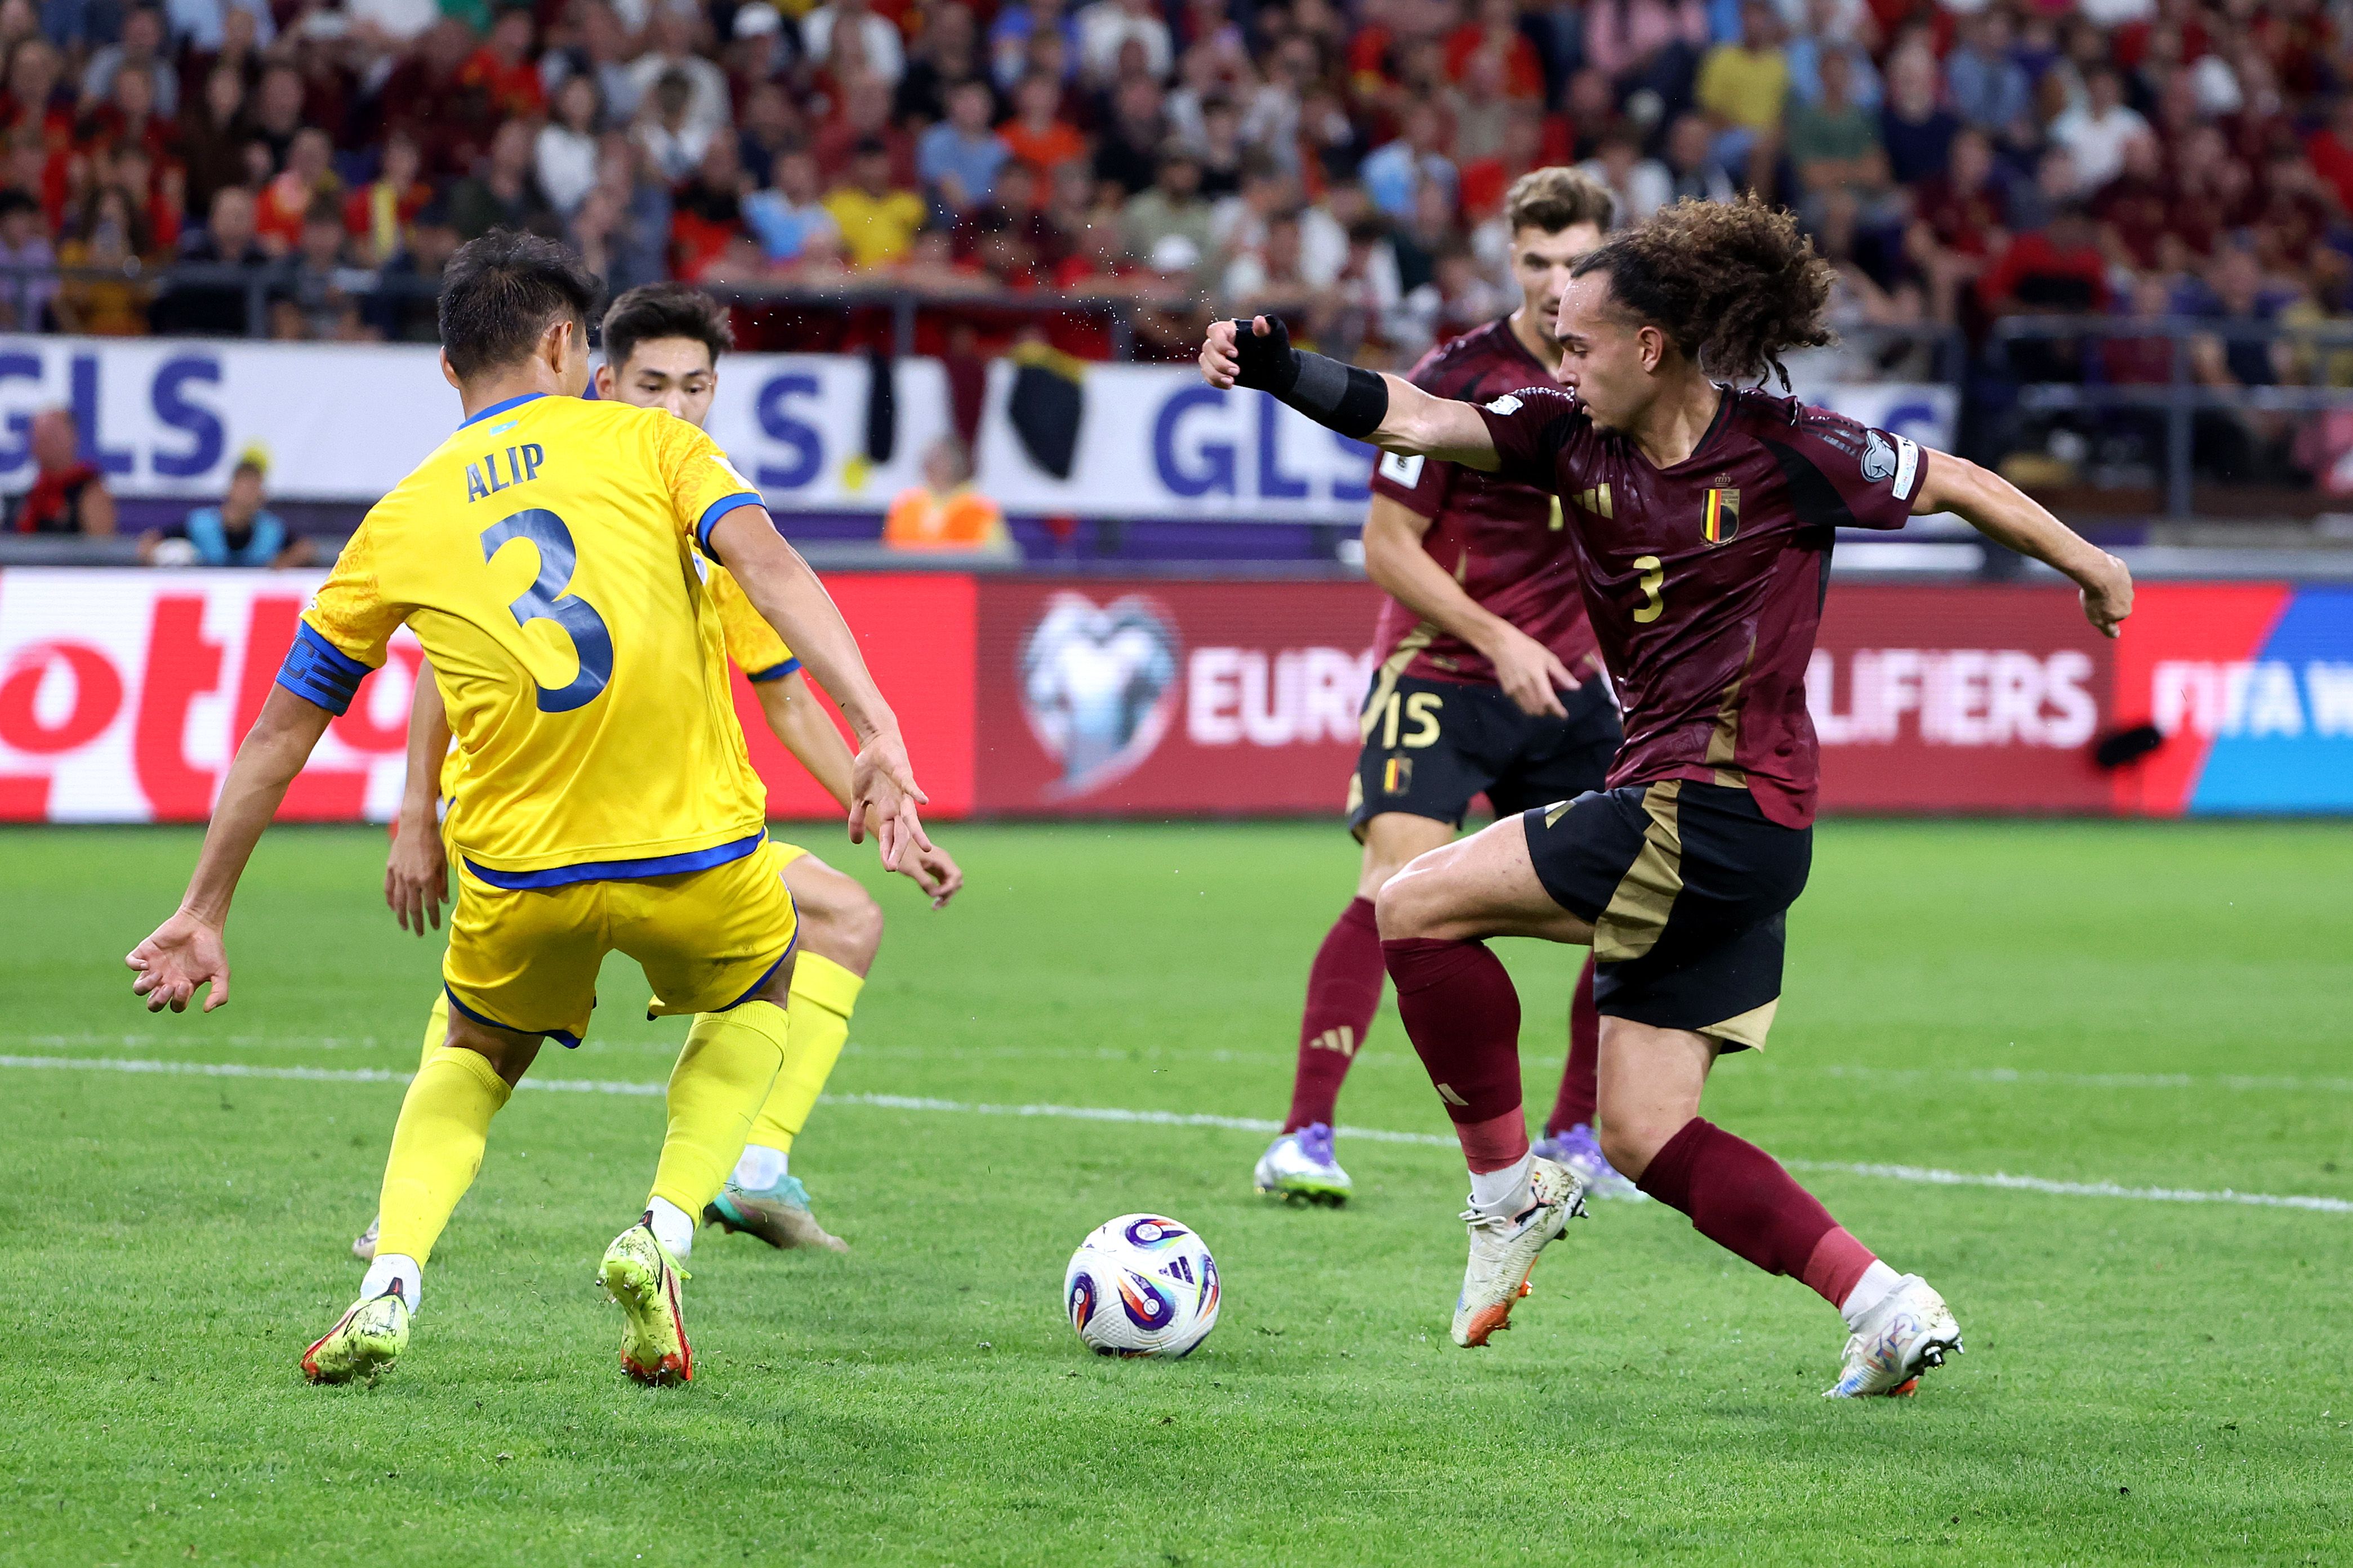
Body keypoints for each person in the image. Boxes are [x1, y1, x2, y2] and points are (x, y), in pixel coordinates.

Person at [1199, 196, 2133, 1394]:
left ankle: (1501, 1198)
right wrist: (1281, 368)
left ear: (1651, 346)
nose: (1560, 356)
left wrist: (2095, 566)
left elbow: (1951, 478)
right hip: (1741, 831)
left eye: (1579, 340)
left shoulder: (1792, 448)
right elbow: (1419, 416)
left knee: (1414, 905)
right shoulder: (1565, 436)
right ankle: (1886, 1304)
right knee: (1644, 1134)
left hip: (1706, 809)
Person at [126, 231, 933, 1388]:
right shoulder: (656, 445)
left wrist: (204, 907)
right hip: (692, 853)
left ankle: (390, 1282)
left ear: (449, 372)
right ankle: (661, 1231)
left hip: (518, 875)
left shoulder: (401, 517)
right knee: (767, 984)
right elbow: (767, 565)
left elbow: (280, 732)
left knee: (469, 1052)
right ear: (568, 344)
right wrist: (877, 730)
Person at [355, 280, 962, 1266]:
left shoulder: (706, 506)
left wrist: (883, 794)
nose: (676, 407)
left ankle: (754, 1175)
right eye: (653, 384)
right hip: (546, 809)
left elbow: (785, 696)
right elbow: (444, 658)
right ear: (600, 380)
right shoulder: (593, 480)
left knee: (846, 917)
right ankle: (409, 1206)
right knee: (489, 1010)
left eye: (694, 386)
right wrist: (413, 811)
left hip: (669, 816)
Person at [1251, 169, 1638, 1208]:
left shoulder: (1629, 380)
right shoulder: (1459, 375)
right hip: (1440, 668)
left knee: (1636, 903)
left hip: (1562, 684)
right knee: (1392, 887)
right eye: (1537, 264)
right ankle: (1304, 1136)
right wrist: (1498, 636)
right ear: (1508, 259)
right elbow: (1386, 547)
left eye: (1577, 265)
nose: (1557, 286)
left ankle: (1580, 1137)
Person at [140, 451, 310, 566]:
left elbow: (305, 549)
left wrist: (281, 565)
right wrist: (158, 560)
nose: (248, 496)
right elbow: (149, 542)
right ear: (231, 489)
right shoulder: (201, 525)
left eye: (254, 489)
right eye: (245, 488)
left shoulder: (271, 530)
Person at [881, 435, 1012, 553]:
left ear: (959, 464)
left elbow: (997, 559)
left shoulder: (980, 509)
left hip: (963, 578)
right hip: (910, 578)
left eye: (941, 459)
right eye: (930, 458)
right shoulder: (905, 504)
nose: (933, 464)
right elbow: (888, 552)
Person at [8, 407, 115, 534]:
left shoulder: (90, 490)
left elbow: (102, 549)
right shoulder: (31, 493)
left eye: (52, 435)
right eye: (38, 435)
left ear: (73, 437)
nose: (44, 441)